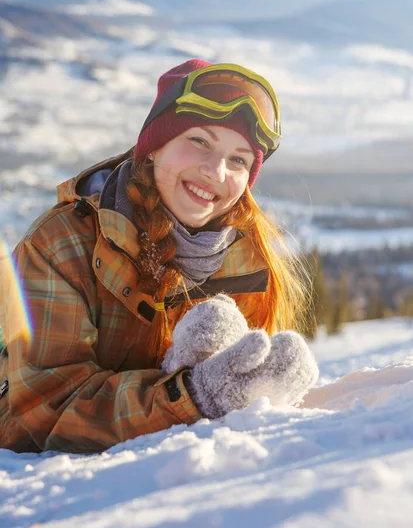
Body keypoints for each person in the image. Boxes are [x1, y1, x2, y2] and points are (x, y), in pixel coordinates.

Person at [0, 59, 318, 454]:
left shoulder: (244, 259)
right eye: (199, 141)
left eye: (239, 159)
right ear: (153, 149)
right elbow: (38, 411)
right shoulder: (62, 244)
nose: (216, 171)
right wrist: (191, 395)